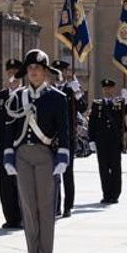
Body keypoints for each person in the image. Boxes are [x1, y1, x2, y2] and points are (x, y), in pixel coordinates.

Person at [3, 49, 69, 253]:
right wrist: (8, 156)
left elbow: (64, 130)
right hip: (22, 154)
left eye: (38, 69)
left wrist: (63, 155)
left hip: (45, 154)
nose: (33, 72)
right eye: (30, 68)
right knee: (28, 206)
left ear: (45, 72)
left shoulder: (57, 97)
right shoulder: (16, 97)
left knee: (45, 205)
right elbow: (9, 129)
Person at [0, 59, 25, 228]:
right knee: (5, 184)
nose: (12, 75)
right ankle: (10, 217)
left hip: (21, 145)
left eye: (16, 72)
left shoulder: (27, 94)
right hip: (4, 145)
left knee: (21, 183)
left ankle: (23, 215)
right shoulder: (0, 97)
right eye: (9, 72)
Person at [88, 76, 126, 204]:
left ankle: (115, 194)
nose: (107, 91)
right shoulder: (97, 104)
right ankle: (106, 193)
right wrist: (91, 139)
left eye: (109, 88)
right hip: (101, 141)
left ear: (113, 89)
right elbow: (92, 123)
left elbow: (125, 118)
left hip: (115, 141)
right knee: (103, 168)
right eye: (105, 88)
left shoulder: (119, 103)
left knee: (115, 168)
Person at [54, 59, 79, 216]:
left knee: (67, 174)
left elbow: (81, 108)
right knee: (53, 175)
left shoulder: (70, 91)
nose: (59, 75)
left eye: (61, 72)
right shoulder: (49, 90)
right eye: (56, 72)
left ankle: (68, 205)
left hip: (68, 138)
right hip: (52, 139)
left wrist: (77, 93)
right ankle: (55, 205)